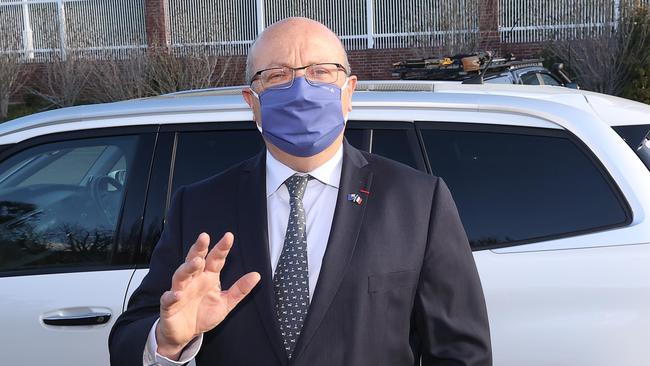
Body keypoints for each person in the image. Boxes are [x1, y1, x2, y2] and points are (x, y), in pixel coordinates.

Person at [109, 17, 492, 366]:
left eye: (321, 72)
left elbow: (461, 353)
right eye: (276, 75)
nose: (301, 90)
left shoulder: (419, 202)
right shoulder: (198, 205)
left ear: (348, 92)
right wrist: (166, 341)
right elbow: (127, 338)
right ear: (252, 103)